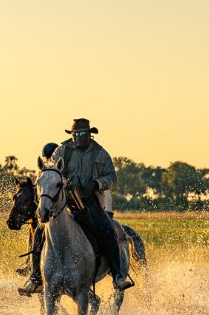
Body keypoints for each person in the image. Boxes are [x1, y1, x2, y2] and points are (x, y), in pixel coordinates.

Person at [54, 118, 131, 290]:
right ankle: (35, 275)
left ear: (90, 134)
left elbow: (112, 179)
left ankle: (117, 274)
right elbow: (52, 171)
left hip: (91, 203)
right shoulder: (62, 151)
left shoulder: (100, 154)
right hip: (64, 202)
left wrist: (96, 184)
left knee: (108, 230)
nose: (77, 137)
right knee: (40, 230)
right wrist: (63, 181)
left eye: (81, 134)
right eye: (74, 134)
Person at [17, 143, 57, 296]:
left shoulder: (60, 168)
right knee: (36, 230)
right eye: (47, 158)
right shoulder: (42, 172)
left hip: (61, 210)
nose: (48, 160)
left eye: (49, 157)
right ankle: (34, 274)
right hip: (46, 211)